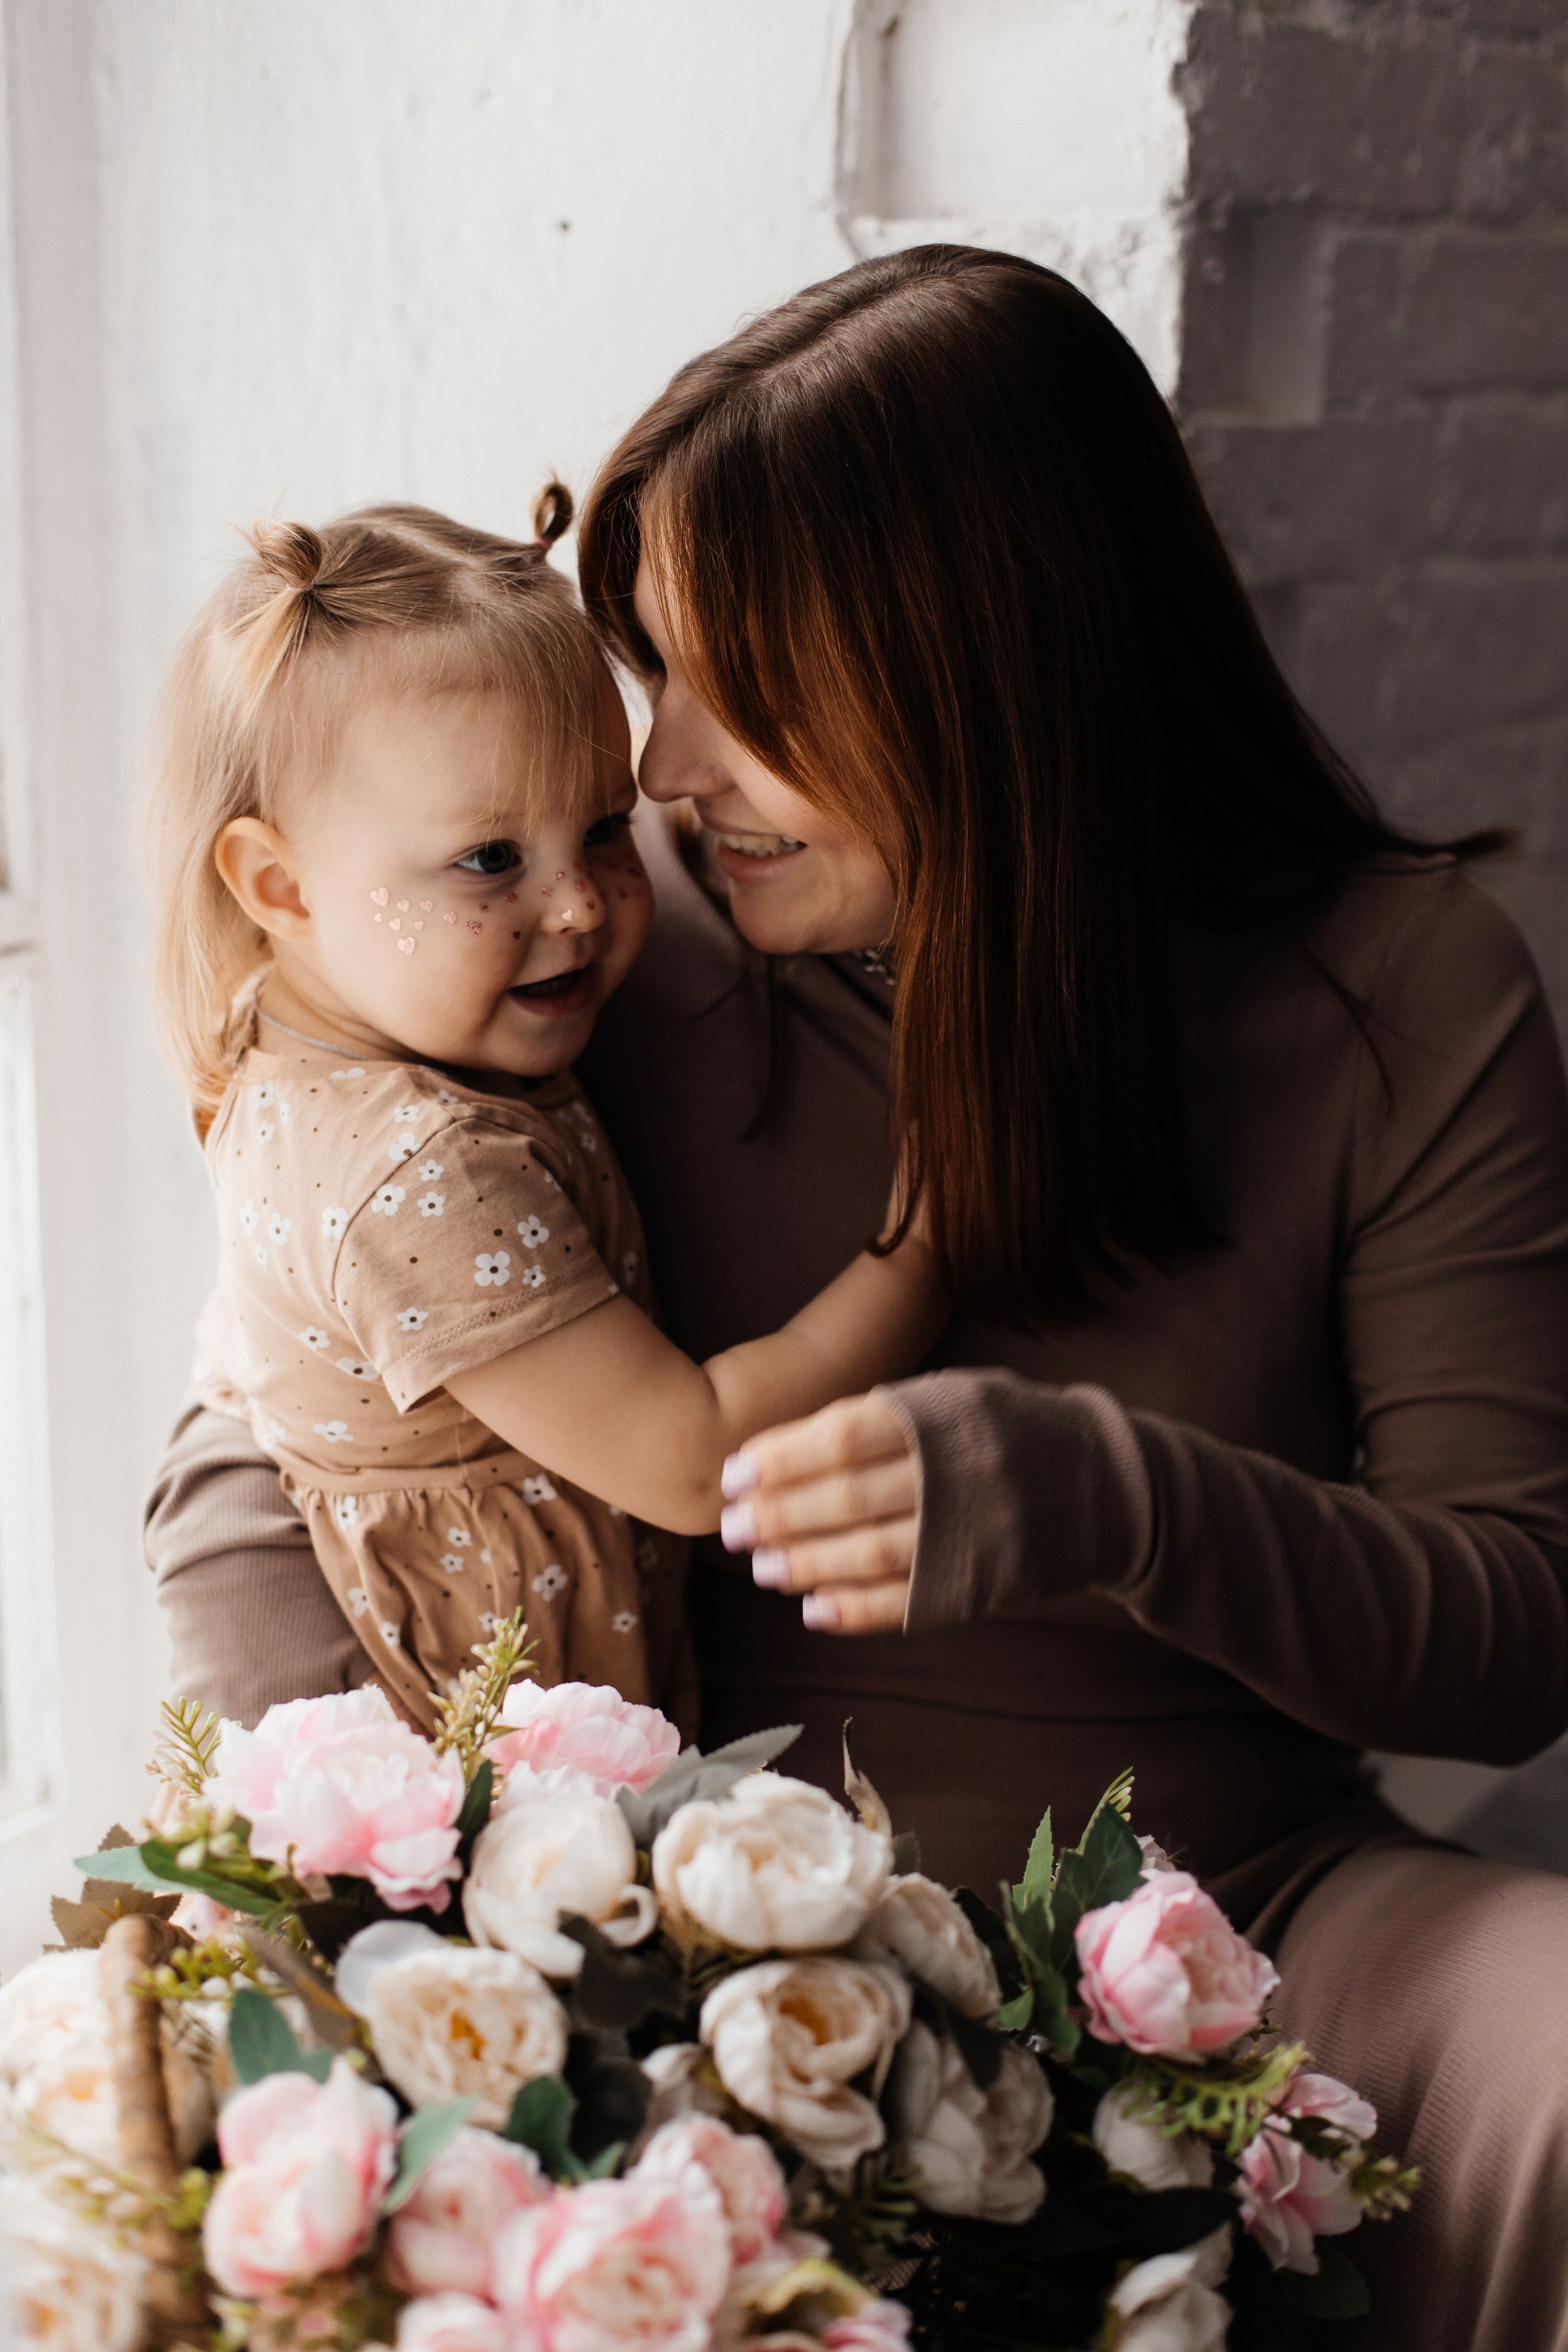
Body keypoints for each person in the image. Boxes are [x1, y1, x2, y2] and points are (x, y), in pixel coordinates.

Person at [146, 249, 1568, 2349]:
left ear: (992, 677)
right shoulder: (606, 960)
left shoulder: (1399, 993)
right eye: (656, 667)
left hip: (1233, 1916)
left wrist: (1128, 1499)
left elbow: (1514, 1635)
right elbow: (265, 1430)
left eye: (750, 685)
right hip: (688, 1952)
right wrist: (400, 1902)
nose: (658, 774)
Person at [142, 488, 940, 1735]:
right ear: (280, 884)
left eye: (605, 827)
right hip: (468, 1784)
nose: (578, 904)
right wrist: (932, 1242)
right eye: (490, 860)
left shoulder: (344, 1038)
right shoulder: (411, 1167)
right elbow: (691, 1462)